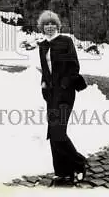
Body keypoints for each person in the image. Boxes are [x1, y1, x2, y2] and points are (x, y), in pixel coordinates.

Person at [37, 10, 87, 185]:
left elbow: (74, 66)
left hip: (65, 94)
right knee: (54, 132)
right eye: (46, 24)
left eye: (52, 24)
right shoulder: (42, 45)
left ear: (57, 26)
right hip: (50, 94)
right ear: (42, 27)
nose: (49, 27)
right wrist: (44, 83)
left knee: (58, 132)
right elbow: (45, 69)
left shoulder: (66, 41)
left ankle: (79, 164)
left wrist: (64, 85)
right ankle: (62, 171)